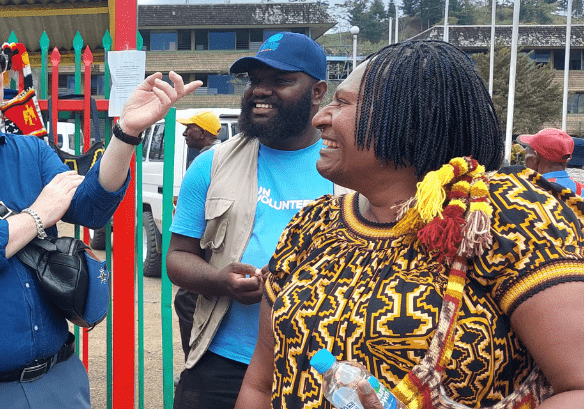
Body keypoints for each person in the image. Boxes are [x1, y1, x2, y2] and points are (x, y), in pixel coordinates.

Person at [0, 2, 201, 409]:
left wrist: (127, 133)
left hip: (56, 383)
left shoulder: (30, 151)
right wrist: (36, 216)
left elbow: (91, 208)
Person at [235, 40, 584, 409]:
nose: (321, 117)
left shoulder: (501, 213)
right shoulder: (313, 222)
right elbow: (260, 384)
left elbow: (577, 387)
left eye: (343, 103)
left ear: (411, 118)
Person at [165, 32, 334, 409]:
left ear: (318, 91)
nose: (261, 91)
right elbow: (177, 256)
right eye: (256, 81)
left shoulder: (347, 167)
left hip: (320, 367)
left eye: (281, 81)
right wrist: (219, 280)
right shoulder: (213, 164)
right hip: (223, 362)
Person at [172, 109, 224, 361]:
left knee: (187, 299)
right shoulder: (219, 156)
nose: (184, 132)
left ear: (201, 132)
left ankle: (195, 358)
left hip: (209, 246)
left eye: (189, 127)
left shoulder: (211, 160)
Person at [520, 128, 583, 195]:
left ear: (535, 156)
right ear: (569, 158)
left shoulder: (529, 191)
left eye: (528, 149)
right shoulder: (580, 189)